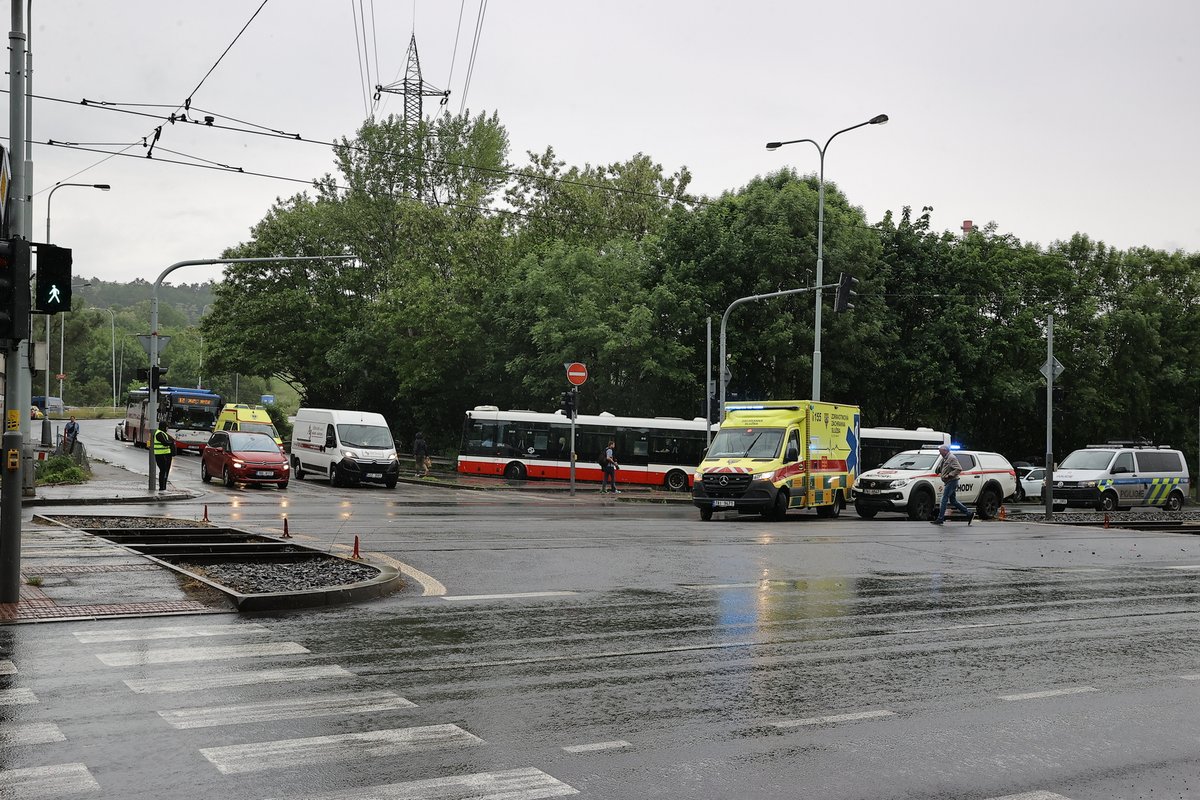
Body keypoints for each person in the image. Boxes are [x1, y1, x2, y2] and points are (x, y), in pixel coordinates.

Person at [932, 444, 974, 525]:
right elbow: (943, 468)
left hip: (952, 481)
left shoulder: (952, 458)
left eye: (940, 452)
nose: (940, 453)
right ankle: (969, 514)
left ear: (945, 451)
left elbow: (959, 468)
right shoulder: (945, 458)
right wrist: (939, 470)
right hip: (949, 481)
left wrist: (950, 475)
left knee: (944, 499)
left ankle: (940, 518)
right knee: (953, 501)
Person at [152, 422, 176, 491]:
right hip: (162, 455)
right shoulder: (159, 433)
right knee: (163, 471)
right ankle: (162, 487)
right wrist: (171, 443)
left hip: (165, 455)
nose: (167, 428)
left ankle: (163, 486)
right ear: (163, 427)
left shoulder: (162, 433)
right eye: (166, 427)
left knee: (165, 471)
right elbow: (165, 442)